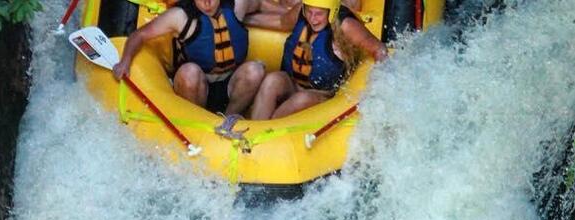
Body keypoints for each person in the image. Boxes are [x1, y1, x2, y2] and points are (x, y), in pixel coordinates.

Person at [112, 0, 266, 116]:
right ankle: (198, 120)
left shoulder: (238, 4)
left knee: (255, 70)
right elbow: (141, 34)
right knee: (188, 72)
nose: (207, 4)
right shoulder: (180, 16)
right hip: (196, 87)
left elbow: (259, 4)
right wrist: (125, 61)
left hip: (230, 85)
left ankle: (227, 120)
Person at [246, 0, 386, 120]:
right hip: (292, 83)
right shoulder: (302, 10)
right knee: (272, 80)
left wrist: (378, 89)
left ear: (331, 12)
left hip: (323, 95)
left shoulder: (347, 25)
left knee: (301, 99)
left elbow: (379, 49)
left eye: (319, 14)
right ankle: (254, 131)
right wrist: (238, 17)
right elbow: (281, 22)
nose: (313, 19)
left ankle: (265, 132)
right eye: (310, 12)